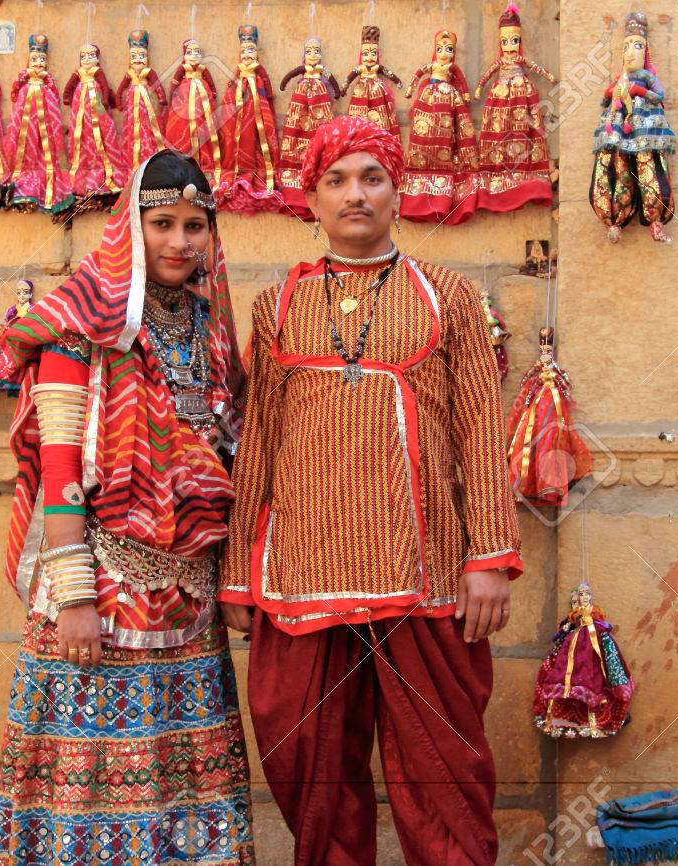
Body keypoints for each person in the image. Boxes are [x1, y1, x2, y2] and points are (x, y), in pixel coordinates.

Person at [220, 115, 522, 865]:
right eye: (336, 180)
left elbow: (481, 431)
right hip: (299, 576)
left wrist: (489, 555)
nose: (355, 195)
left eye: (371, 178)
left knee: (444, 774)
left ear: (397, 193)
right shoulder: (279, 303)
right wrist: (236, 576)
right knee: (306, 767)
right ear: (312, 200)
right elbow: (257, 440)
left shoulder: (448, 295)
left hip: (422, 573)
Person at [0, 149, 255, 866]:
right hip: (99, 595)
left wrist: (229, 578)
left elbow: (227, 457)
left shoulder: (210, 330)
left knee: (185, 785)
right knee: (90, 788)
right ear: (130, 227)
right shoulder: (83, 323)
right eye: (162, 222)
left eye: (196, 225)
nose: (180, 242)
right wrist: (74, 598)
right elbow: (62, 470)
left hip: (189, 598)